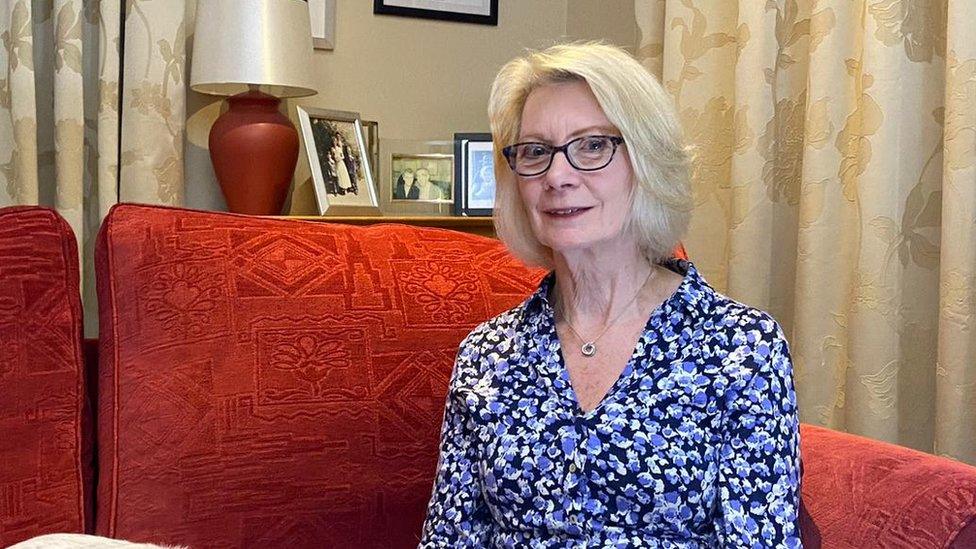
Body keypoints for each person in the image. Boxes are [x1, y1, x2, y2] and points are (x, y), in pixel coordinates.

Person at [420, 42, 802, 547]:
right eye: (535, 151)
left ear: (645, 161)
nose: (557, 176)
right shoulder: (486, 356)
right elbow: (450, 538)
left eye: (593, 145)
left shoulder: (742, 349)